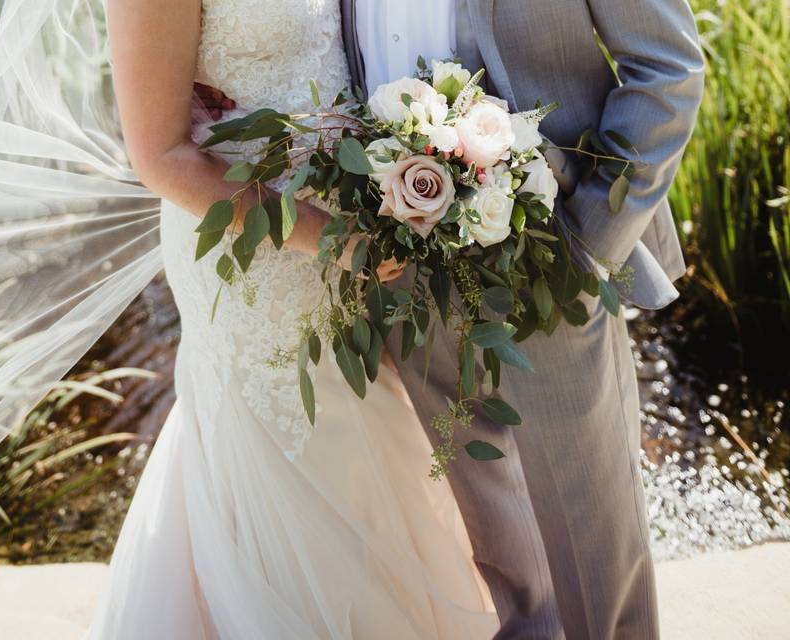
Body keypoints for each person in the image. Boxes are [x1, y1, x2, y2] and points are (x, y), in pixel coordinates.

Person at [198, 1, 705, 638]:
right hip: (400, 256)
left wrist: (595, 239)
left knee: (593, 535)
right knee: (501, 541)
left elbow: (667, 67)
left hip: (551, 247)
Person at [87, 1, 499, 637]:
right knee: (296, 459)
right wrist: (333, 236)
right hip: (255, 250)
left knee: (372, 451)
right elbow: (160, 154)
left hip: (357, 223)